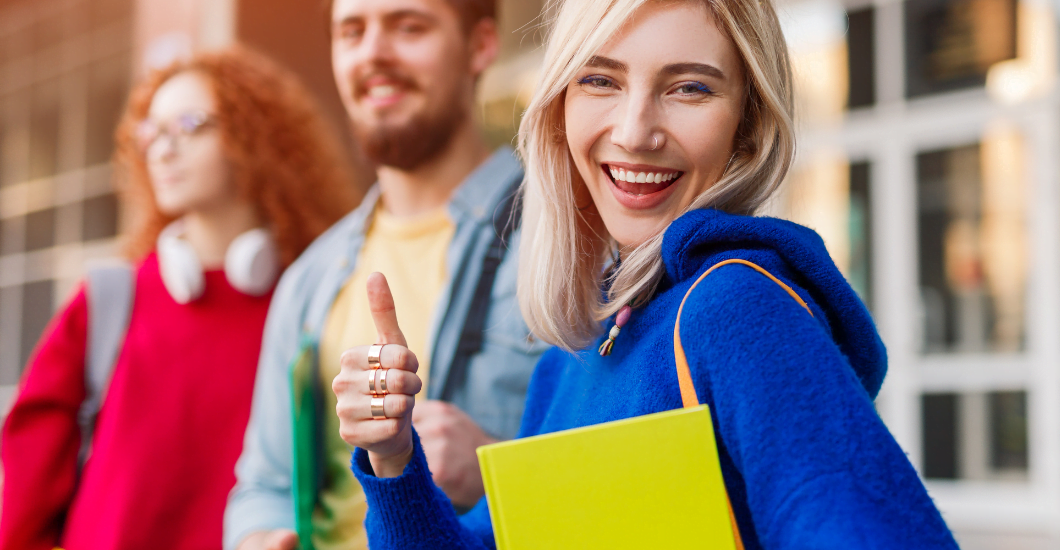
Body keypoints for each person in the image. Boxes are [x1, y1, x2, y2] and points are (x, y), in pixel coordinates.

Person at [332, 0, 962, 548]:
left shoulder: (737, 310)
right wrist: (394, 460)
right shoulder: (573, 356)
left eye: (689, 88)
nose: (635, 132)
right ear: (560, 107)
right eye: (600, 81)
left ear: (747, 125)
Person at [0, 47, 357, 550]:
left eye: (189, 124)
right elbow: (28, 467)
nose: (162, 149)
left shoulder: (311, 302)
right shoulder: (108, 299)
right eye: (151, 132)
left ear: (256, 137)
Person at [224, 0, 547, 548]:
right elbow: (264, 483)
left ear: (481, 45)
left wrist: (496, 468)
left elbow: (630, 476)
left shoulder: (563, 240)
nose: (372, 52)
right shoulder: (310, 278)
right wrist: (258, 536)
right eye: (351, 31)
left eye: (408, 26)